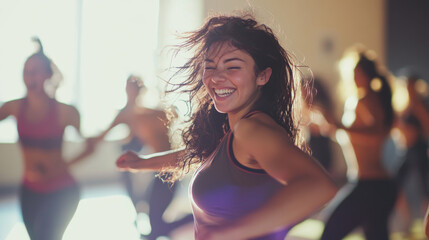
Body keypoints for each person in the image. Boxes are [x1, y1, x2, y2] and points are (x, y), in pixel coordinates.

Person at [116, 14, 337, 240]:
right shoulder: (232, 130)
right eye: (210, 67)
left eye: (232, 67)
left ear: (262, 76)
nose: (216, 78)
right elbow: (196, 155)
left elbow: (319, 186)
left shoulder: (251, 129)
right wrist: (141, 163)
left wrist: (228, 233)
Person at [0, 38, 94, 240]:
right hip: (29, 191)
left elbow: (90, 147)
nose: (29, 77)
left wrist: (64, 165)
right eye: (26, 72)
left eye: (35, 71)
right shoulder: (14, 107)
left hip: (61, 192)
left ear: (47, 75)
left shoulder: (65, 112)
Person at [93, 75, 192, 239]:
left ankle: (195, 219)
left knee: (155, 224)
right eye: (128, 87)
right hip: (155, 169)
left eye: (133, 87)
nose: (130, 91)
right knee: (152, 218)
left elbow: (175, 114)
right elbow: (101, 136)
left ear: (140, 89)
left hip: (169, 167)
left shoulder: (153, 112)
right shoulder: (126, 114)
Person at [319, 46, 398, 240]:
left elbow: (379, 134)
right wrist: (332, 127)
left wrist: (340, 127)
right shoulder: (359, 99)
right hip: (371, 184)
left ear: (368, 75)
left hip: (371, 184)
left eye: (358, 73)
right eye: (352, 73)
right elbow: (356, 138)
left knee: (329, 233)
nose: (354, 77)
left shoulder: (366, 99)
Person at [393, 73, 429, 233]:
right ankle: (406, 223)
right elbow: (398, 132)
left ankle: (425, 225)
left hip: (421, 153)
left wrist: (419, 112)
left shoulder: (423, 105)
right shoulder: (403, 107)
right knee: (394, 187)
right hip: (407, 153)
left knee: (425, 192)